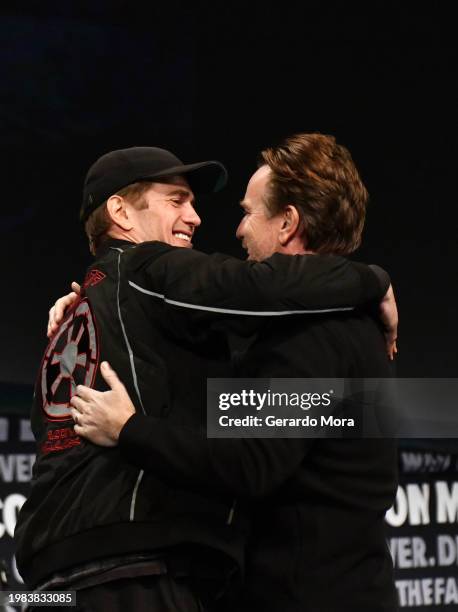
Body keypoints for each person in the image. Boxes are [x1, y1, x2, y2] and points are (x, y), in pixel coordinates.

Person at [14, 144, 393, 612]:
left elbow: (255, 458)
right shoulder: (147, 274)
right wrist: (375, 280)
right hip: (129, 574)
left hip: (50, 582)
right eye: (177, 201)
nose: (225, 228)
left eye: (247, 213)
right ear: (120, 212)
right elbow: (262, 443)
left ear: (288, 223)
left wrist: (133, 430)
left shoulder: (314, 333)